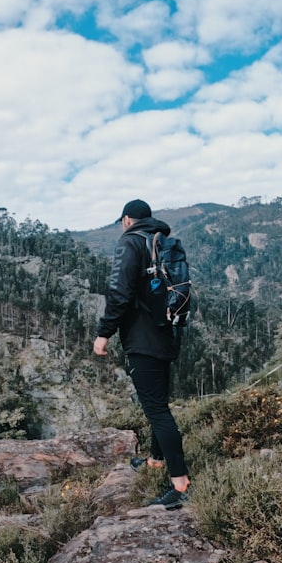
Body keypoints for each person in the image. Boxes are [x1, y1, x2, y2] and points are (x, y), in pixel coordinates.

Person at [93, 199, 190, 510]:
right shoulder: (160, 241)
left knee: (157, 412)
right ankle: (155, 461)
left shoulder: (130, 243)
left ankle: (181, 484)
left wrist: (104, 333)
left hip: (142, 339)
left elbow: (119, 293)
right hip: (167, 333)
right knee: (158, 403)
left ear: (126, 220)